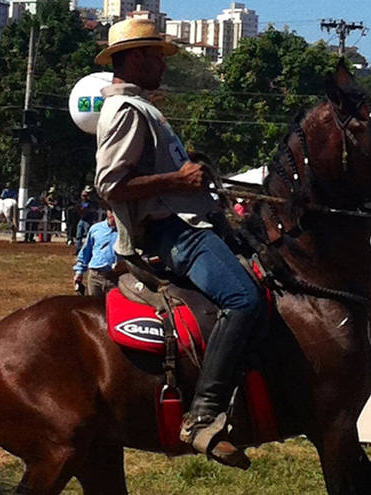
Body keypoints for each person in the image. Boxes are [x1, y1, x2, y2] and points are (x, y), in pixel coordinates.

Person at [93, 18, 262, 468]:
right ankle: (202, 415)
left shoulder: (142, 107)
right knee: (243, 298)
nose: (163, 65)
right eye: (155, 56)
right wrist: (179, 177)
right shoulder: (127, 112)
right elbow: (110, 185)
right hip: (173, 234)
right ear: (133, 58)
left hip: (188, 223)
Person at [73, 207, 119, 297]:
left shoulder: (125, 231)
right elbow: (86, 251)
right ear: (107, 212)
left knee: (114, 308)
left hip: (115, 277)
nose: (113, 214)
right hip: (95, 276)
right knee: (94, 308)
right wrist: (79, 272)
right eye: (111, 211)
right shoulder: (95, 229)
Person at [75, 186, 99, 252]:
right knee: (78, 235)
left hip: (87, 221)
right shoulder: (80, 203)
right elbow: (77, 209)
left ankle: (87, 249)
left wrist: (85, 211)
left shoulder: (90, 203)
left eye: (85, 196)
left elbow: (92, 210)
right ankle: (78, 249)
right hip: (81, 220)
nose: (84, 197)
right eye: (83, 195)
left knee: (87, 235)